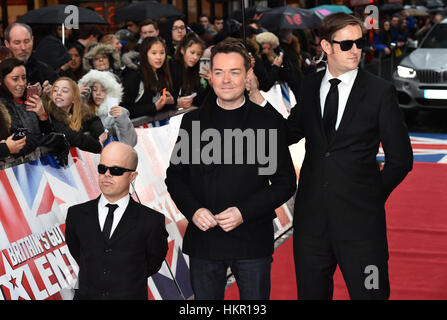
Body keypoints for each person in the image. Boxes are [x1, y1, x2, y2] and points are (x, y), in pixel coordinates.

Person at [265, 13, 413, 300]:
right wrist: (258, 100)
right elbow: (286, 134)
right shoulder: (309, 86)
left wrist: (370, 197)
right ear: (326, 46)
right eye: (346, 45)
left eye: (359, 43)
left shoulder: (380, 92)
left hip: (362, 227)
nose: (355, 50)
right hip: (311, 223)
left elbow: (401, 159)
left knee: (371, 294)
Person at [165, 39, 297, 300]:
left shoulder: (266, 123)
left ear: (248, 76)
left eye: (234, 72)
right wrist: (194, 210)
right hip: (205, 241)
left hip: (252, 239)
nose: (226, 80)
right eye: (219, 72)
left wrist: (243, 212)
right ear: (210, 76)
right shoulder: (193, 122)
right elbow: (176, 177)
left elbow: (284, 183)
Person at [65, 141, 169, 300]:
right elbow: (78, 252)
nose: (107, 174)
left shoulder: (151, 222)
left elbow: (152, 263)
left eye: (116, 170)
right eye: (102, 168)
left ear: (132, 176)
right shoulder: (76, 215)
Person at [0, 58, 52, 157]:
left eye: (23, 78)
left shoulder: (30, 100)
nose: (21, 83)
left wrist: (42, 116)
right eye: (15, 79)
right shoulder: (2, 106)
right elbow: (20, 139)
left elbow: (49, 132)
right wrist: (49, 140)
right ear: (1, 81)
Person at [45, 77, 106, 153]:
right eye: (55, 90)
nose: (58, 93)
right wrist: (97, 146)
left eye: (64, 91)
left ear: (74, 98)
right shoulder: (48, 114)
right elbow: (72, 136)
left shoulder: (80, 112)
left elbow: (92, 120)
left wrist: (100, 134)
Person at [79, 69, 137, 147]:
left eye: (103, 90)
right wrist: (78, 101)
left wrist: (122, 118)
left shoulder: (116, 113)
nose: (98, 93)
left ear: (111, 92)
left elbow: (130, 143)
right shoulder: (84, 110)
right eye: (94, 89)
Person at [121, 37, 175, 118]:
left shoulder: (162, 72)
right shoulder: (134, 75)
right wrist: (154, 107)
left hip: (156, 125)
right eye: (154, 53)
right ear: (145, 54)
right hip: (135, 127)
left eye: (162, 53)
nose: (159, 57)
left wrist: (170, 102)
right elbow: (123, 109)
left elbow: (160, 108)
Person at [170, 32, 209, 109]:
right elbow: (162, 98)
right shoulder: (171, 67)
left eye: (198, 54)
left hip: (187, 114)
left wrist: (209, 84)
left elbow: (200, 100)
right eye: (192, 52)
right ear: (182, 50)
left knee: (197, 120)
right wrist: (176, 103)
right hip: (168, 117)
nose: (195, 57)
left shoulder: (194, 71)